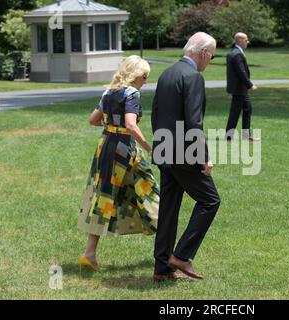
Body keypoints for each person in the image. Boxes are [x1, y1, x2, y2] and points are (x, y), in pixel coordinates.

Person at [77, 55, 159, 272]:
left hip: (106, 147)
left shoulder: (109, 92)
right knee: (149, 188)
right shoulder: (132, 93)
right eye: (145, 76)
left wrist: (112, 124)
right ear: (137, 75)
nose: (146, 81)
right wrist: (150, 148)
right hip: (125, 149)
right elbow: (131, 126)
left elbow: (93, 120)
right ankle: (168, 247)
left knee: (104, 196)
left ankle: (89, 254)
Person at [151, 32, 221, 282]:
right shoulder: (193, 77)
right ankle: (181, 256)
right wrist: (203, 157)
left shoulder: (167, 73)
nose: (209, 61)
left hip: (164, 151)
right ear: (203, 53)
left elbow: (156, 114)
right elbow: (194, 122)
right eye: (211, 56)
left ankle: (161, 269)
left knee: (169, 210)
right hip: (183, 155)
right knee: (210, 201)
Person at [225, 32, 259, 141]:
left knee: (247, 109)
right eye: (245, 40)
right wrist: (250, 85)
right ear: (240, 40)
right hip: (239, 88)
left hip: (240, 89)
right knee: (235, 112)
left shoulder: (235, 52)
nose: (247, 42)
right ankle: (229, 136)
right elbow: (241, 72)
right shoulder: (237, 54)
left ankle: (246, 136)